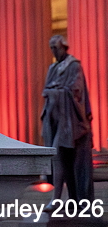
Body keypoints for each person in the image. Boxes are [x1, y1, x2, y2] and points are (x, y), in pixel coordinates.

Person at [42, 34, 94, 202]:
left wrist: (55, 92)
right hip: (55, 120)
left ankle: (58, 198)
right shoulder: (53, 68)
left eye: (56, 48)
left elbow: (75, 90)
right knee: (63, 159)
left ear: (64, 47)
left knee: (62, 156)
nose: (53, 51)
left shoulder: (74, 66)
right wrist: (54, 91)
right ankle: (71, 199)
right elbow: (46, 90)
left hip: (71, 121)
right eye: (51, 48)